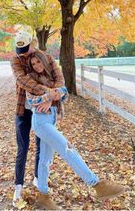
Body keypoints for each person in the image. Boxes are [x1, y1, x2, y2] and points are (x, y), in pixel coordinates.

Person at [26, 50, 127, 210]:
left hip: (51, 119)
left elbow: (65, 94)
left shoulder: (53, 77)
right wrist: (50, 96)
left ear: (44, 61)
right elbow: (31, 100)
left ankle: (43, 196)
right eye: (33, 64)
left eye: (38, 62)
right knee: (68, 149)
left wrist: (56, 94)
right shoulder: (31, 80)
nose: (37, 66)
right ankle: (97, 184)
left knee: (45, 161)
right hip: (40, 121)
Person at [10, 31, 64, 207]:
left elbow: (59, 80)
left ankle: (37, 178)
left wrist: (50, 98)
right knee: (23, 147)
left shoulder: (46, 57)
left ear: (33, 43)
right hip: (23, 110)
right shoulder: (16, 60)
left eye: (26, 48)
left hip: (42, 111)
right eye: (21, 50)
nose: (24, 53)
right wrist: (47, 92)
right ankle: (18, 186)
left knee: (42, 147)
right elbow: (23, 81)